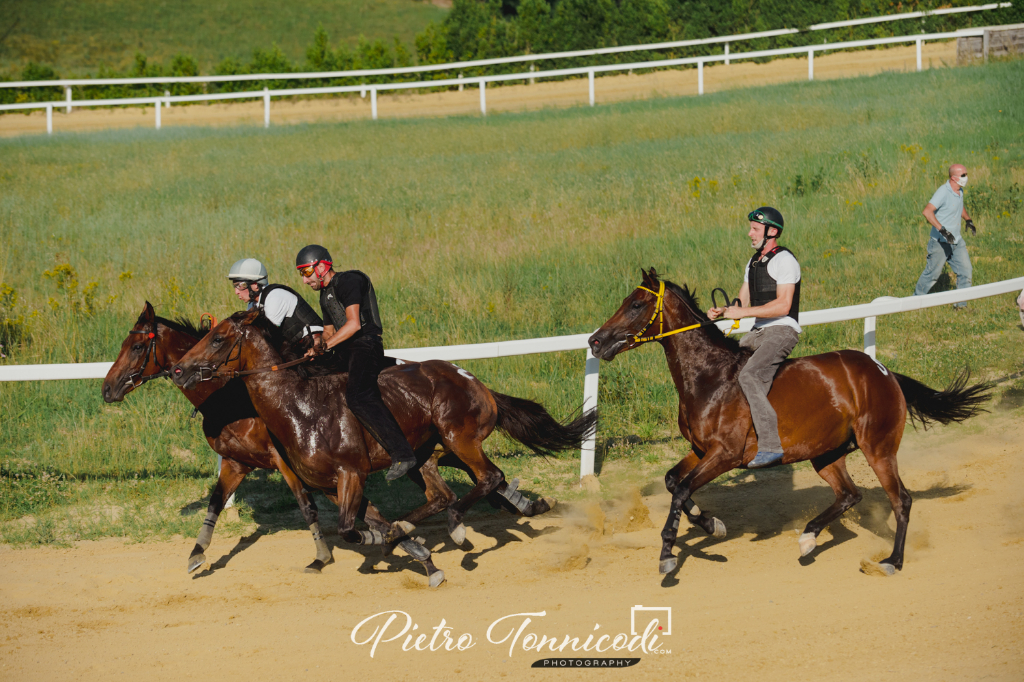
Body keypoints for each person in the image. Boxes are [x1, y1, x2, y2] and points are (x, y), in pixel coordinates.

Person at [294, 245, 417, 482]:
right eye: (301, 274)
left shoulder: (349, 281)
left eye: (306, 272)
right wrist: (315, 346)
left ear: (321, 266)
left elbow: (353, 325)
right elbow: (330, 331)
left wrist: (326, 346)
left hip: (366, 344)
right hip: (345, 347)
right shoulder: (324, 294)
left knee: (358, 396)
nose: (305, 280)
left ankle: (402, 454)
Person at [707, 207, 801, 469]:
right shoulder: (754, 261)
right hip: (758, 331)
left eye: (755, 229)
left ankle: (771, 446)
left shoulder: (785, 261)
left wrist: (743, 312)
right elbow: (742, 299)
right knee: (727, 369)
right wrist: (725, 311)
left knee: (749, 376)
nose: (749, 233)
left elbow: (783, 305)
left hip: (782, 330)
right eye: (750, 228)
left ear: (772, 232)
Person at [227, 258, 324, 355]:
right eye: (234, 286)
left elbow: (265, 337)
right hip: (296, 348)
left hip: (314, 345)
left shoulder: (275, 296)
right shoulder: (253, 304)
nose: (236, 292)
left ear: (255, 285)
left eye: (240, 285)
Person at [914, 164, 977, 309]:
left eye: (966, 174)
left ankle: (960, 307)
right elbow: (927, 212)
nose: (966, 177)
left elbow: (959, 205)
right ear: (954, 178)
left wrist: (968, 220)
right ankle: (915, 303)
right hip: (940, 242)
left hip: (956, 241)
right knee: (932, 274)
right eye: (963, 175)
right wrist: (943, 231)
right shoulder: (943, 192)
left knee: (966, 271)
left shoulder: (959, 190)